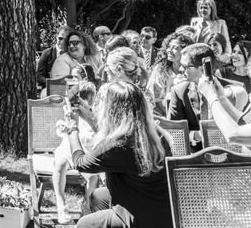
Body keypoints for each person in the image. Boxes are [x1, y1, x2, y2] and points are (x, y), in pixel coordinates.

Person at [62, 80, 173, 228]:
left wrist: (72, 129)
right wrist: (89, 117)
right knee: (99, 197)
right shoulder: (154, 135)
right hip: (162, 210)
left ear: (111, 109)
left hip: (138, 218)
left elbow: (81, 163)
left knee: (84, 224)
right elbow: (112, 145)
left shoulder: (118, 144)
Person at [53, 80, 98, 223]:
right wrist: (63, 128)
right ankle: (61, 206)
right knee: (59, 164)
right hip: (68, 147)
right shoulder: (72, 112)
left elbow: (97, 133)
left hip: (87, 151)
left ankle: (87, 206)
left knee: (93, 177)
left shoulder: (93, 114)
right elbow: (64, 129)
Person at [168, 43, 213, 151]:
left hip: (230, 154)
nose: (181, 69)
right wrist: (196, 135)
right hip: (194, 154)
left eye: (186, 66)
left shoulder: (232, 90)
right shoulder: (179, 92)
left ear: (203, 68)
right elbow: (174, 131)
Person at [146, 33, 193, 116]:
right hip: (163, 115)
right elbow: (154, 98)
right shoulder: (160, 69)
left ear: (185, 50)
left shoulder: (192, 70)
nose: (169, 50)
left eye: (175, 47)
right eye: (169, 47)